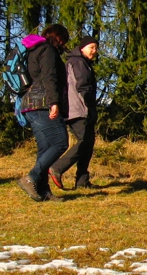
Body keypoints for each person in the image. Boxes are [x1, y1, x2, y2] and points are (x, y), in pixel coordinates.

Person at [15, 24, 70, 202]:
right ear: (59, 37)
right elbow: (49, 77)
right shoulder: (47, 50)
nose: (64, 45)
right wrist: (54, 103)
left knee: (45, 148)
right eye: (64, 40)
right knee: (61, 142)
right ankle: (31, 177)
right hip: (43, 104)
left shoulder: (34, 50)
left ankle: (43, 191)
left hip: (30, 104)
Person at [48, 36, 99, 190]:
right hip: (78, 109)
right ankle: (57, 168)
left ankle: (82, 180)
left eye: (96, 48)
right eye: (91, 47)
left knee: (88, 143)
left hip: (78, 108)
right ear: (82, 48)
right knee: (84, 142)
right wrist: (90, 104)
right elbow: (83, 85)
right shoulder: (78, 62)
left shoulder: (79, 61)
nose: (94, 51)